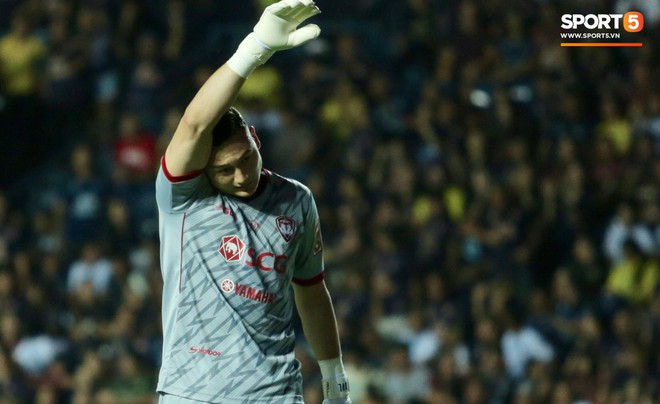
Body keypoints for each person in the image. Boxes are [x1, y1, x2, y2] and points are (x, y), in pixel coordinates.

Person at [154, 1, 351, 403]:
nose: (242, 175)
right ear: (203, 170)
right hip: (192, 392)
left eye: (246, 158)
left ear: (256, 138)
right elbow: (194, 123)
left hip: (275, 395)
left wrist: (334, 377)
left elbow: (311, 293)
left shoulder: (296, 201)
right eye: (225, 170)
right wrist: (255, 48)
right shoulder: (183, 200)